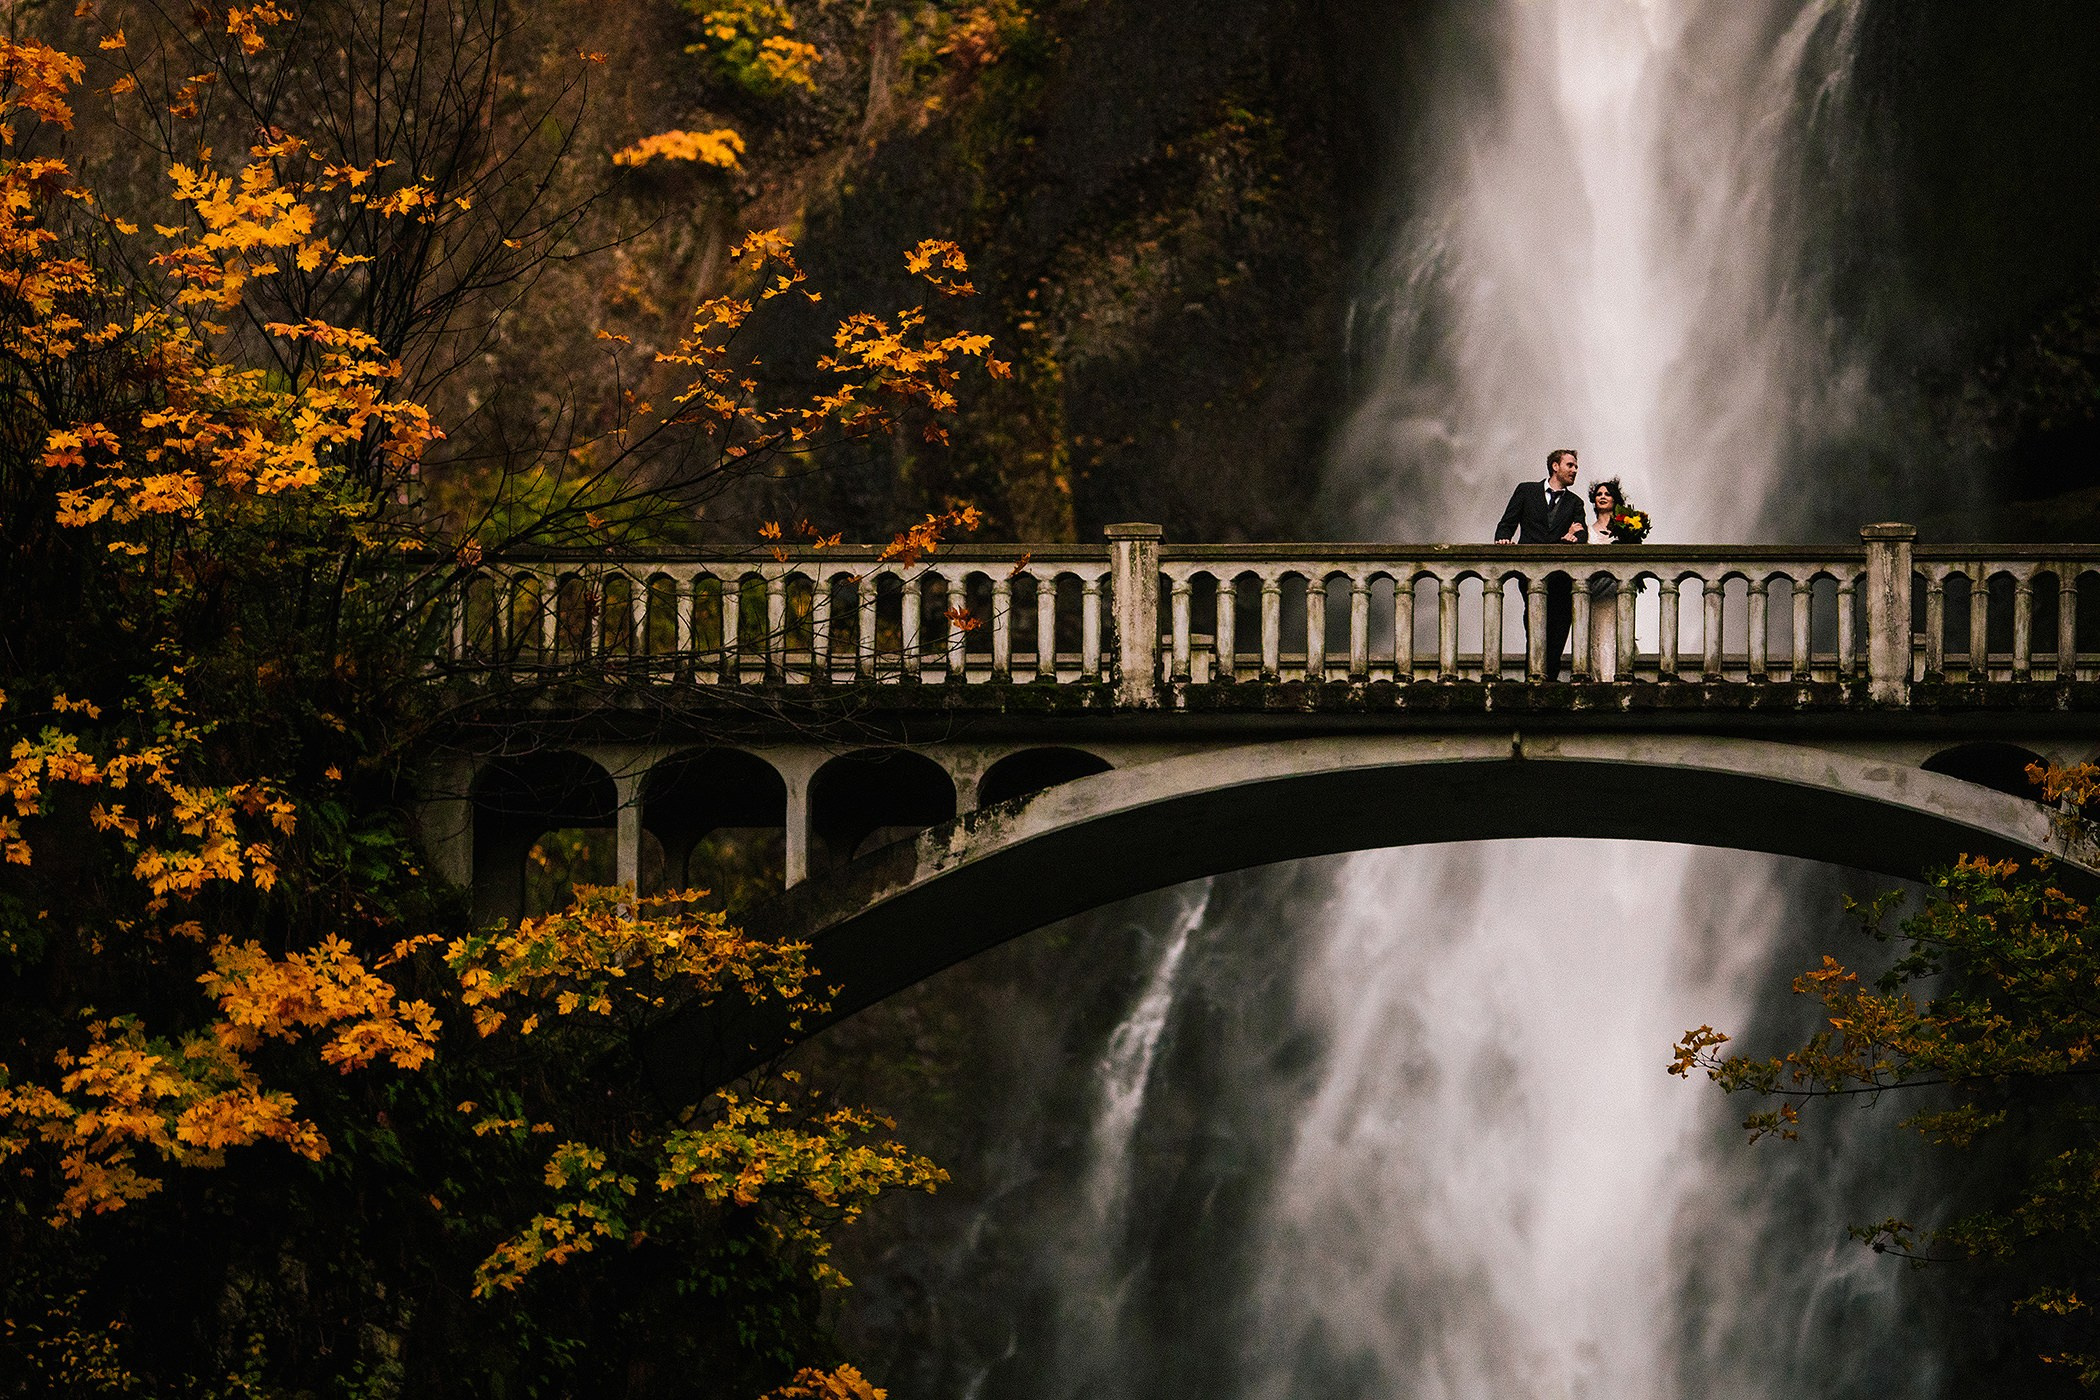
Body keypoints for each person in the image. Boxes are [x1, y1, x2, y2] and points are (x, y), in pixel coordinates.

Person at [1494, 448, 1585, 677]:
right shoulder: (1526, 491)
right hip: (1530, 573)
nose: (1575, 470)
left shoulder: (1576, 502)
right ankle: (1532, 678)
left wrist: (1573, 538)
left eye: (1575, 466)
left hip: (1562, 577)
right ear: (1555, 466)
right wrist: (1503, 539)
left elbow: (1581, 533)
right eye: (1570, 465)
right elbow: (1507, 523)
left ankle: (1550, 681)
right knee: (1534, 626)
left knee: (1560, 627)